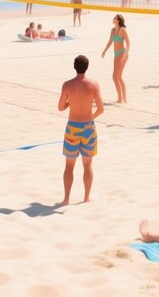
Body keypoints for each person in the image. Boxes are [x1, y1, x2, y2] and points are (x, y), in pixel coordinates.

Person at [58, 54, 103, 205]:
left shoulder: (67, 85)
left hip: (72, 127)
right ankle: (86, 198)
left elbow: (60, 107)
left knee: (69, 166)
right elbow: (101, 109)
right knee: (88, 165)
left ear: (74, 67)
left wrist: (71, 103)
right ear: (87, 67)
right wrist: (90, 117)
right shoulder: (94, 85)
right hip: (88, 127)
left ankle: (66, 199)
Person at [101, 14, 130, 103]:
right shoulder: (113, 30)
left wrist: (125, 55)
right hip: (116, 55)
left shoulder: (123, 30)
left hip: (122, 54)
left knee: (115, 77)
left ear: (118, 21)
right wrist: (104, 51)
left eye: (114, 18)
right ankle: (123, 98)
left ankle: (121, 98)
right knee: (118, 77)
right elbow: (110, 42)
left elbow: (128, 44)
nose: (113, 19)